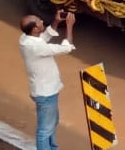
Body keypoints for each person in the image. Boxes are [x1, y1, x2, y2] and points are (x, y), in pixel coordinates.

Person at [19, 9, 76, 150]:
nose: (42, 21)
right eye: (39, 22)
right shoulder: (36, 47)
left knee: (52, 122)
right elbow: (65, 48)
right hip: (46, 93)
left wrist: (56, 22)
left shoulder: (25, 39)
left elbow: (43, 37)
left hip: (44, 90)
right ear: (34, 29)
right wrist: (69, 26)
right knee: (45, 129)